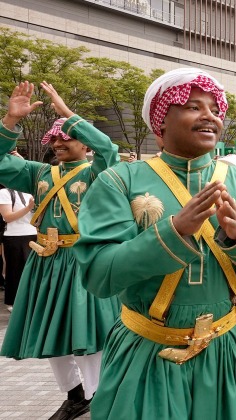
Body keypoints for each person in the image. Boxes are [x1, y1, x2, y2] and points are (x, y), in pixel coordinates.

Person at [72, 68, 236, 419]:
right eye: (192, 107)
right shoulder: (119, 181)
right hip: (148, 351)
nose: (209, 116)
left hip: (230, 349)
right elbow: (99, 275)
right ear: (160, 127)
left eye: (215, 110)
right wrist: (174, 232)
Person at [0, 81, 121, 420]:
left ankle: (101, 398)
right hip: (46, 263)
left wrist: (68, 114)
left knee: (88, 335)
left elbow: (109, 149)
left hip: (84, 261)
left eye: (66, 137)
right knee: (52, 334)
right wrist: (10, 121)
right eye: (54, 138)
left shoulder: (100, 172)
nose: (58, 142)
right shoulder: (38, 173)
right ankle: (75, 396)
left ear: (85, 144)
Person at [0, 183, 36, 312]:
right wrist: (29, 207)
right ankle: (14, 301)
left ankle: (32, 300)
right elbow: (8, 217)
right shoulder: (5, 193)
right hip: (16, 236)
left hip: (35, 234)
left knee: (34, 270)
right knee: (16, 271)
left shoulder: (32, 192)